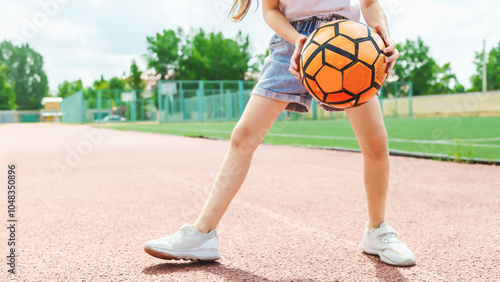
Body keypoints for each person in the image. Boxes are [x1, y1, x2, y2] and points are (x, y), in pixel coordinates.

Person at [144, 0, 416, 267]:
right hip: (292, 44)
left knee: (375, 143)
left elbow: (369, 3)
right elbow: (271, 9)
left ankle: (376, 230)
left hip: (348, 41)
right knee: (244, 137)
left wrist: (385, 39)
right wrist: (300, 39)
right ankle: (202, 234)